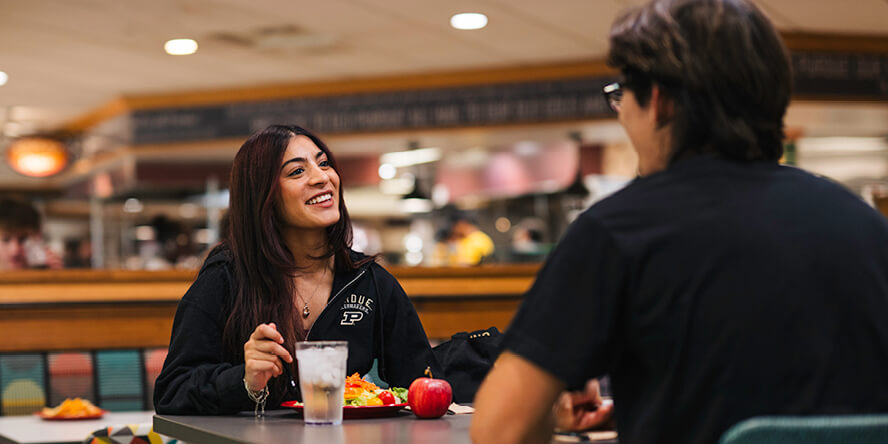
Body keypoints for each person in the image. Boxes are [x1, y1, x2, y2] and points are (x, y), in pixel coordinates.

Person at [471, 1, 888, 443]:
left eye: (621, 95)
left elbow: (499, 430)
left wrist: (548, 413)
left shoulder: (617, 231)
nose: (621, 113)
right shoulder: (865, 226)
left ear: (659, 101)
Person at [154, 125, 441, 415]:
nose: (322, 178)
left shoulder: (368, 281)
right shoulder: (226, 276)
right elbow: (172, 391)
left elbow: (424, 382)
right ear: (263, 195)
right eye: (297, 172)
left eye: (324, 163)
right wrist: (244, 381)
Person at [0, 197, 62, 270]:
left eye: (23, 239)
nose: (15, 250)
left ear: (38, 239)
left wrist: (54, 277)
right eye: (5, 240)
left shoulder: (47, 269)